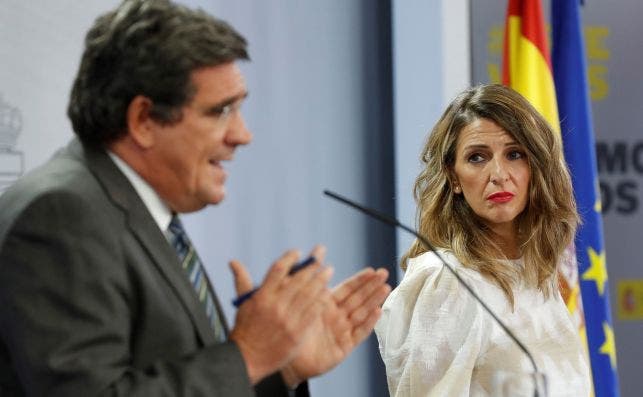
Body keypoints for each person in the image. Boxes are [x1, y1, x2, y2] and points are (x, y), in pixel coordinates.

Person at [0, 1, 391, 395]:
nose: (242, 134)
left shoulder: (136, 211)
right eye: (221, 111)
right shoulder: (61, 217)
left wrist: (278, 371)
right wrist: (249, 355)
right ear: (144, 121)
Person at [375, 84, 590, 396]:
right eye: (477, 158)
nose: (499, 174)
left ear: (536, 167)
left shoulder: (537, 272)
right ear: (453, 177)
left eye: (514, 154)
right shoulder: (448, 281)